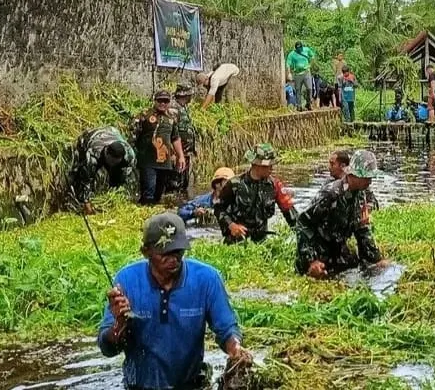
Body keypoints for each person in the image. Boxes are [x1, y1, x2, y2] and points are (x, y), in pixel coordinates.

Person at [97, 213, 250, 390]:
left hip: (190, 385)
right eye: (165, 253)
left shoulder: (206, 279)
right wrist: (119, 325)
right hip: (139, 386)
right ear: (146, 252)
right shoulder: (127, 281)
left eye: (178, 251)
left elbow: (226, 329)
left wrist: (236, 350)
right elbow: (107, 349)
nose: (173, 259)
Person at [295, 150, 385, 278]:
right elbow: (303, 223)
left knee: (364, 269)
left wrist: (376, 260)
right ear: (355, 175)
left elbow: (362, 230)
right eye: (367, 177)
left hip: (337, 251)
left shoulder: (360, 195)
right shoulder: (331, 193)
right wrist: (311, 260)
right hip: (317, 252)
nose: (370, 181)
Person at [214, 143, 298, 244]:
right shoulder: (234, 185)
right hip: (235, 242)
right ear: (257, 165)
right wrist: (231, 225)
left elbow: (290, 213)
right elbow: (218, 208)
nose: (272, 168)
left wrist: (303, 236)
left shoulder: (274, 186)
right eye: (268, 165)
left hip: (261, 244)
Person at [130, 90, 186, 205]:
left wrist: (180, 156)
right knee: (149, 189)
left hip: (165, 162)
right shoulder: (144, 115)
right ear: (155, 101)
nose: (163, 103)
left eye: (166, 101)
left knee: (159, 192)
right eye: (160, 100)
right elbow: (133, 137)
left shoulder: (172, 118)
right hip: (147, 160)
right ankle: (145, 212)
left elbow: (175, 138)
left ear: (169, 102)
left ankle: (153, 213)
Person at [68, 126, 136, 215]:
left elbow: (128, 179)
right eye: (111, 161)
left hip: (113, 132)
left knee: (118, 176)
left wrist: (119, 196)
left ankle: (110, 192)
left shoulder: (129, 155)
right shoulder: (93, 154)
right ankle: (76, 199)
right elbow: (86, 179)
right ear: (106, 152)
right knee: (80, 171)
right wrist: (86, 201)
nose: (112, 164)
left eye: (115, 162)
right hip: (91, 136)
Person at [169, 84, 197, 197]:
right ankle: (173, 201)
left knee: (183, 180)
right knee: (175, 181)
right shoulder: (173, 108)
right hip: (178, 152)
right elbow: (171, 131)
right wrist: (173, 151)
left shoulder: (184, 107)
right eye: (190, 94)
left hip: (186, 152)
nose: (192, 96)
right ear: (185, 95)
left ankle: (182, 198)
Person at [286, 41, 316, 111]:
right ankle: (299, 105)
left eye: (300, 48)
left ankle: (308, 103)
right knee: (298, 90)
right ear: (296, 48)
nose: (299, 49)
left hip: (306, 72)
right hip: (297, 74)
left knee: (309, 88)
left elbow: (312, 56)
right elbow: (288, 64)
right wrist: (289, 73)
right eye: (298, 48)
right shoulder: (292, 54)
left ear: (302, 47)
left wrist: (310, 65)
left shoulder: (306, 50)